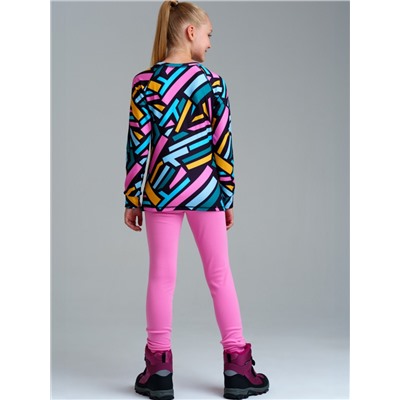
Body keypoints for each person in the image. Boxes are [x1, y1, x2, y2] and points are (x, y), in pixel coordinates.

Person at [124, 1, 269, 399]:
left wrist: (132, 198)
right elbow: (223, 143)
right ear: (190, 32)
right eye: (208, 34)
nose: (210, 43)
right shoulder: (212, 82)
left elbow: (138, 146)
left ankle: (158, 371)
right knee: (220, 275)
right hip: (206, 191)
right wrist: (227, 194)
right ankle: (238, 368)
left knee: (161, 277)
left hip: (160, 191)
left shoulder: (144, 83)